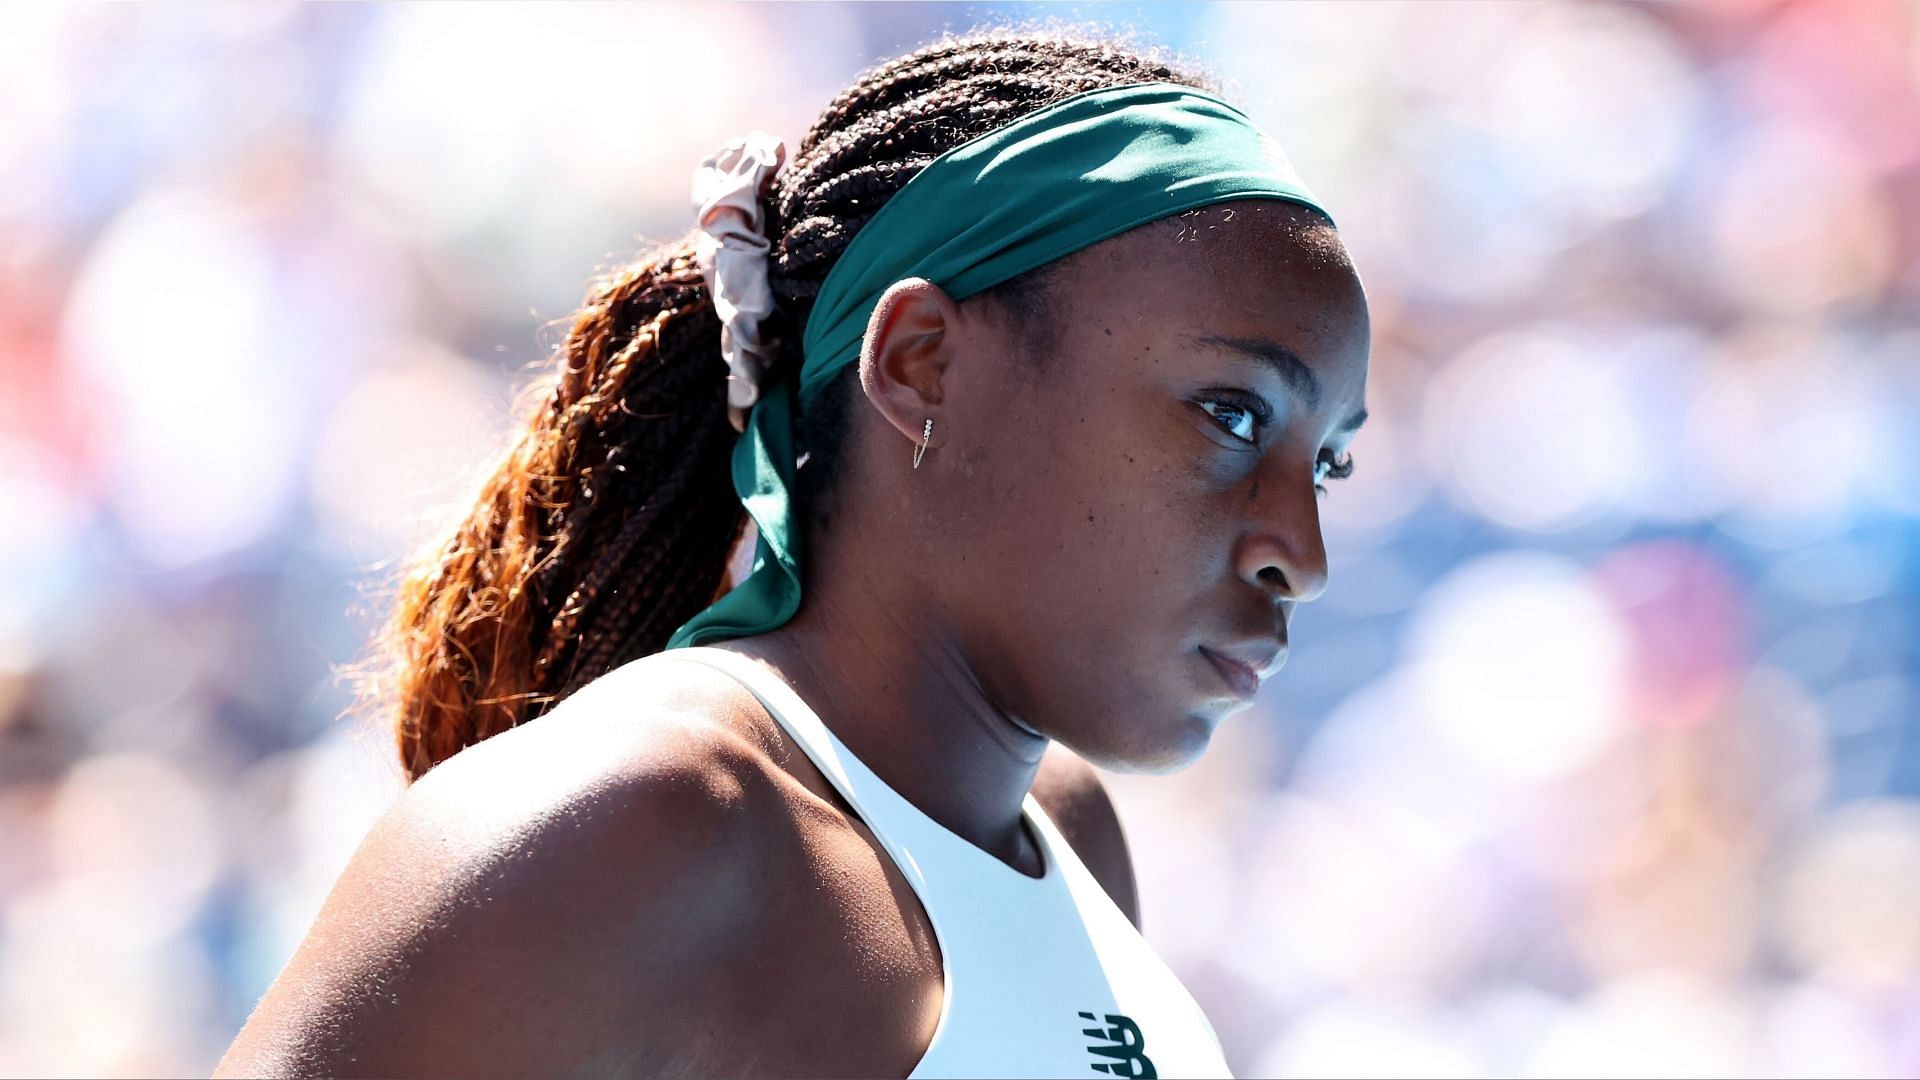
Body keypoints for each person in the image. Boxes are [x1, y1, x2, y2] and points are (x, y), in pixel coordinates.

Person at [215, 25, 1369, 1080]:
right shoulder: (636, 824)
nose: (1301, 554)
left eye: (1329, 464)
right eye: (1233, 415)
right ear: (923, 364)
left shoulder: (1065, 832)